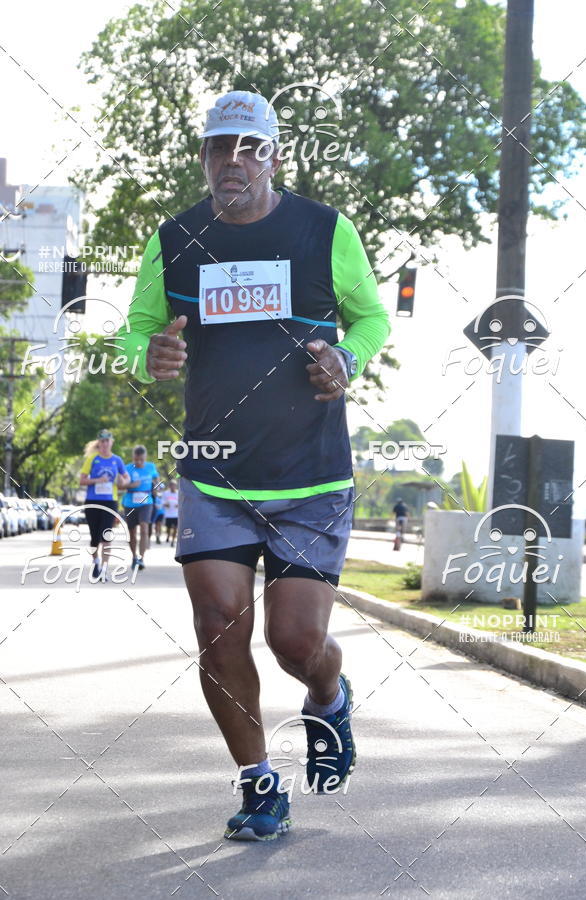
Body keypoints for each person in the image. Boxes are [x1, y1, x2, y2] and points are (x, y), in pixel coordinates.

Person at [118, 90, 391, 841]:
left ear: (274, 155)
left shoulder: (325, 230)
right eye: (217, 147)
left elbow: (371, 317)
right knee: (217, 629)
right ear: (203, 157)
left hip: (312, 474)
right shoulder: (171, 239)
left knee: (296, 644)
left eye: (247, 145)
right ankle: (259, 783)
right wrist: (151, 355)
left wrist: (348, 357)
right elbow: (132, 337)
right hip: (216, 476)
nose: (231, 160)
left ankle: (329, 695)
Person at [79, 430, 130, 580]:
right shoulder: (92, 459)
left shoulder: (117, 460)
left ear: (111, 442)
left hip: (110, 501)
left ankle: (104, 570)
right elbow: (82, 480)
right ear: (99, 443)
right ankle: (96, 562)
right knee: (95, 537)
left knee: (106, 536)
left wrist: (123, 482)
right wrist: (97, 480)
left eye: (108, 440)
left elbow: (126, 478)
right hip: (92, 501)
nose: (105, 443)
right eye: (102, 441)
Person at [162, 479, 179, 547]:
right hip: (168, 514)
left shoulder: (178, 493)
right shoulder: (166, 493)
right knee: (168, 528)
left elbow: (181, 501)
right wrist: (166, 504)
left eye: (174, 485)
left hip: (176, 514)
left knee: (175, 527)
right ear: (169, 486)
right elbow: (162, 501)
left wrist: (178, 505)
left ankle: (173, 540)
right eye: (171, 485)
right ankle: (168, 535)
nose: (173, 487)